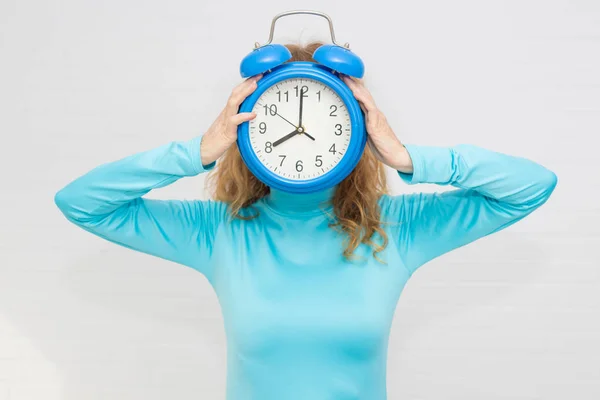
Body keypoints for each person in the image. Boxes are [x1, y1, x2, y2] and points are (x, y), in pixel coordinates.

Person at [54, 43, 557, 399]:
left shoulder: (394, 228)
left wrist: (407, 158)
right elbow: (81, 202)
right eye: (280, 120)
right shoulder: (219, 230)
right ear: (247, 130)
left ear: (354, 132)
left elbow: (529, 187)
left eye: (325, 122)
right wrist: (196, 152)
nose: (304, 136)